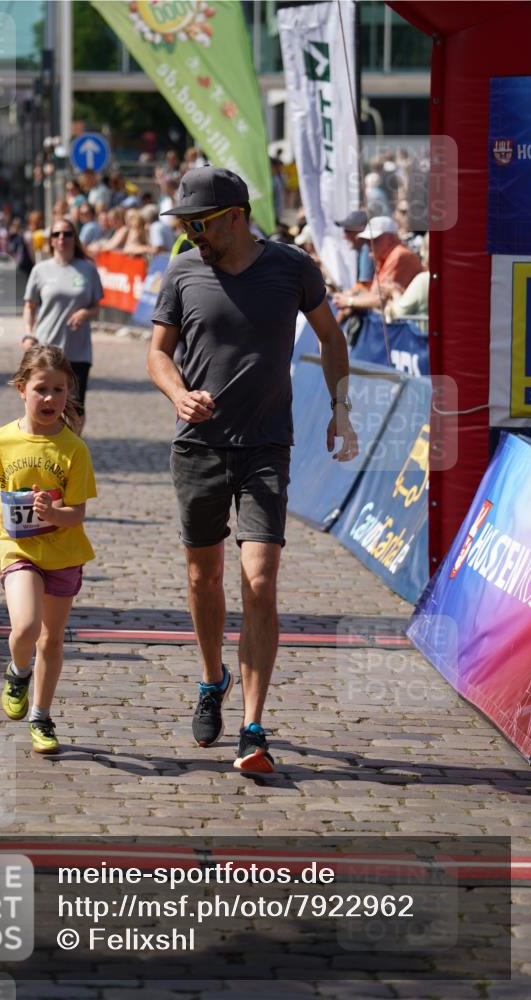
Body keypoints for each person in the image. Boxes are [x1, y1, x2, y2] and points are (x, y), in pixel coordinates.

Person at [148, 166, 358, 774]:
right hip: (198, 446)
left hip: (267, 445)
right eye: (186, 225)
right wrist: (178, 394)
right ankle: (212, 678)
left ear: (236, 217)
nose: (191, 234)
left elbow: (331, 338)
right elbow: (157, 354)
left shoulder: (292, 267)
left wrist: (340, 409)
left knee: (260, 581)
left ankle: (253, 727)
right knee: (203, 577)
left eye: (200, 223)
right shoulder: (183, 269)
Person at [0, 345, 97, 754]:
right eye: (41, 389)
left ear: (68, 392)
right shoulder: (1, 439)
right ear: (22, 389)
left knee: (52, 640)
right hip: (17, 549)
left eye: (59, 390)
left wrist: (54, 513)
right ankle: (18, 671)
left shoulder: (74, 449)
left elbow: (77, 513)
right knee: (25, 627)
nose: (50, 398)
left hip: (63, 554)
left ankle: (41, 716)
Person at [22, 219, 104, 435]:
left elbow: (97, 307)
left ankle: (73, 445)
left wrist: (85, 313)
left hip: (78, 350)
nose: (62, 238)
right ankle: (43, 443)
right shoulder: (40, 270)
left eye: (67, 234)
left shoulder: (88, 269)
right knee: (44, 401)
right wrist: (28, 334)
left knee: (75, 406)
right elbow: (30, 306)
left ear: (74, 238)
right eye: (56, 234)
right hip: (47, 349)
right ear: (50, 240)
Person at [332, 216, 423, 315]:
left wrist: (349, 301)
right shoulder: (384, 257)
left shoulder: (399, 255)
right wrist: (351, 297)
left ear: (390, 238)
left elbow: (380, 299)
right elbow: (374, 294)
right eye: (367, 240)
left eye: (374, 240)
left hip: (407, 322)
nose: (368, 244)